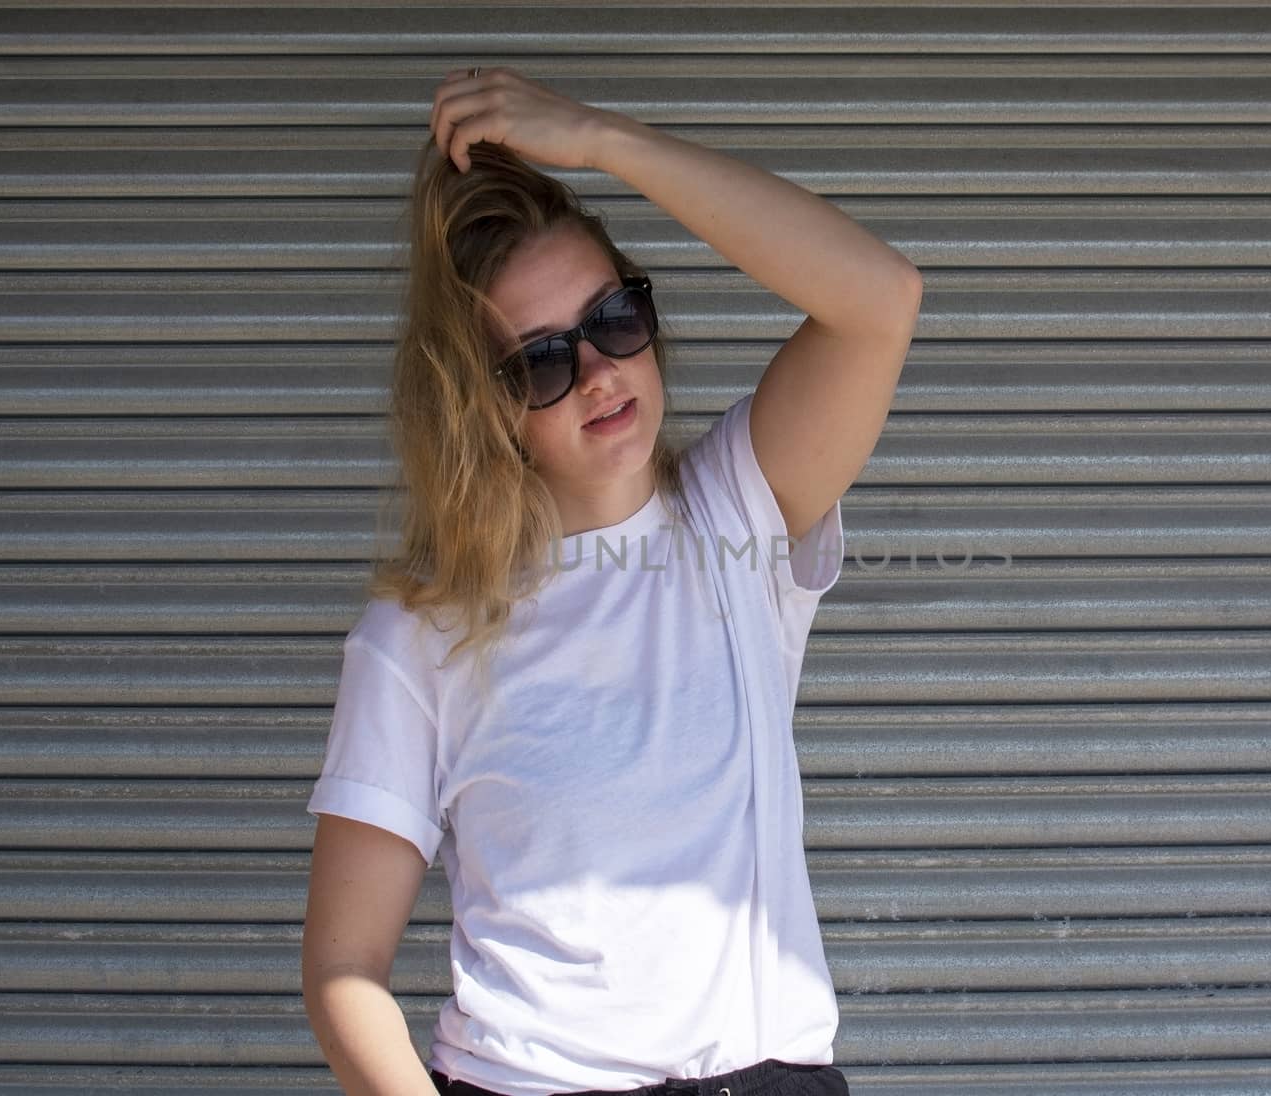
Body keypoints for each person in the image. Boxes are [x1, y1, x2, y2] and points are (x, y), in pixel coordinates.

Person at [299, 64, 922, 1096]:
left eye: (614, 317)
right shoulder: (421, 632)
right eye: (541, 360)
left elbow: (878, 297)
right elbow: (342, 972)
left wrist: (601, 142)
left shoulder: (738, 515)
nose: (596, 371)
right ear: (488, 407)